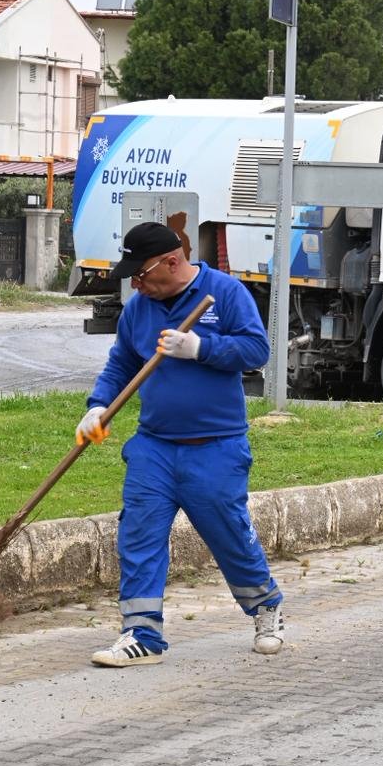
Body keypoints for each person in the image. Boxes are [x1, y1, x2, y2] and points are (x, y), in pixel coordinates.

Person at [76, 222, 282, 667]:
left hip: (216, 446)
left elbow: (255, 350)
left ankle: (265, 606)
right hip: (154, 446)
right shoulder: (139, 308)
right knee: (139, 533)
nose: (136, 283)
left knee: (228, 535)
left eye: (142, 273)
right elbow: (122, 365)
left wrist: (200, 348)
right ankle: (142, 634)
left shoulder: (223, 293)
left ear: (172, 261)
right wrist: (97, 407)